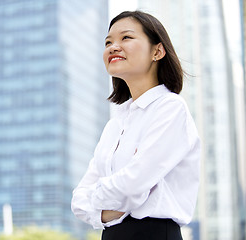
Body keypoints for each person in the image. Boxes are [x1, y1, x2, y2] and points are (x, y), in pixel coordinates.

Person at [71, 11, 201, 240]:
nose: (113, 47)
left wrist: (101, 197)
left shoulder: (170, 108)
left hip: (155, 234)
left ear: (157, 51)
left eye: (126, 38)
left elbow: (134, 183)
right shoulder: (115, 124)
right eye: (108, 42)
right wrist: (124, 198)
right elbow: (78, 202)